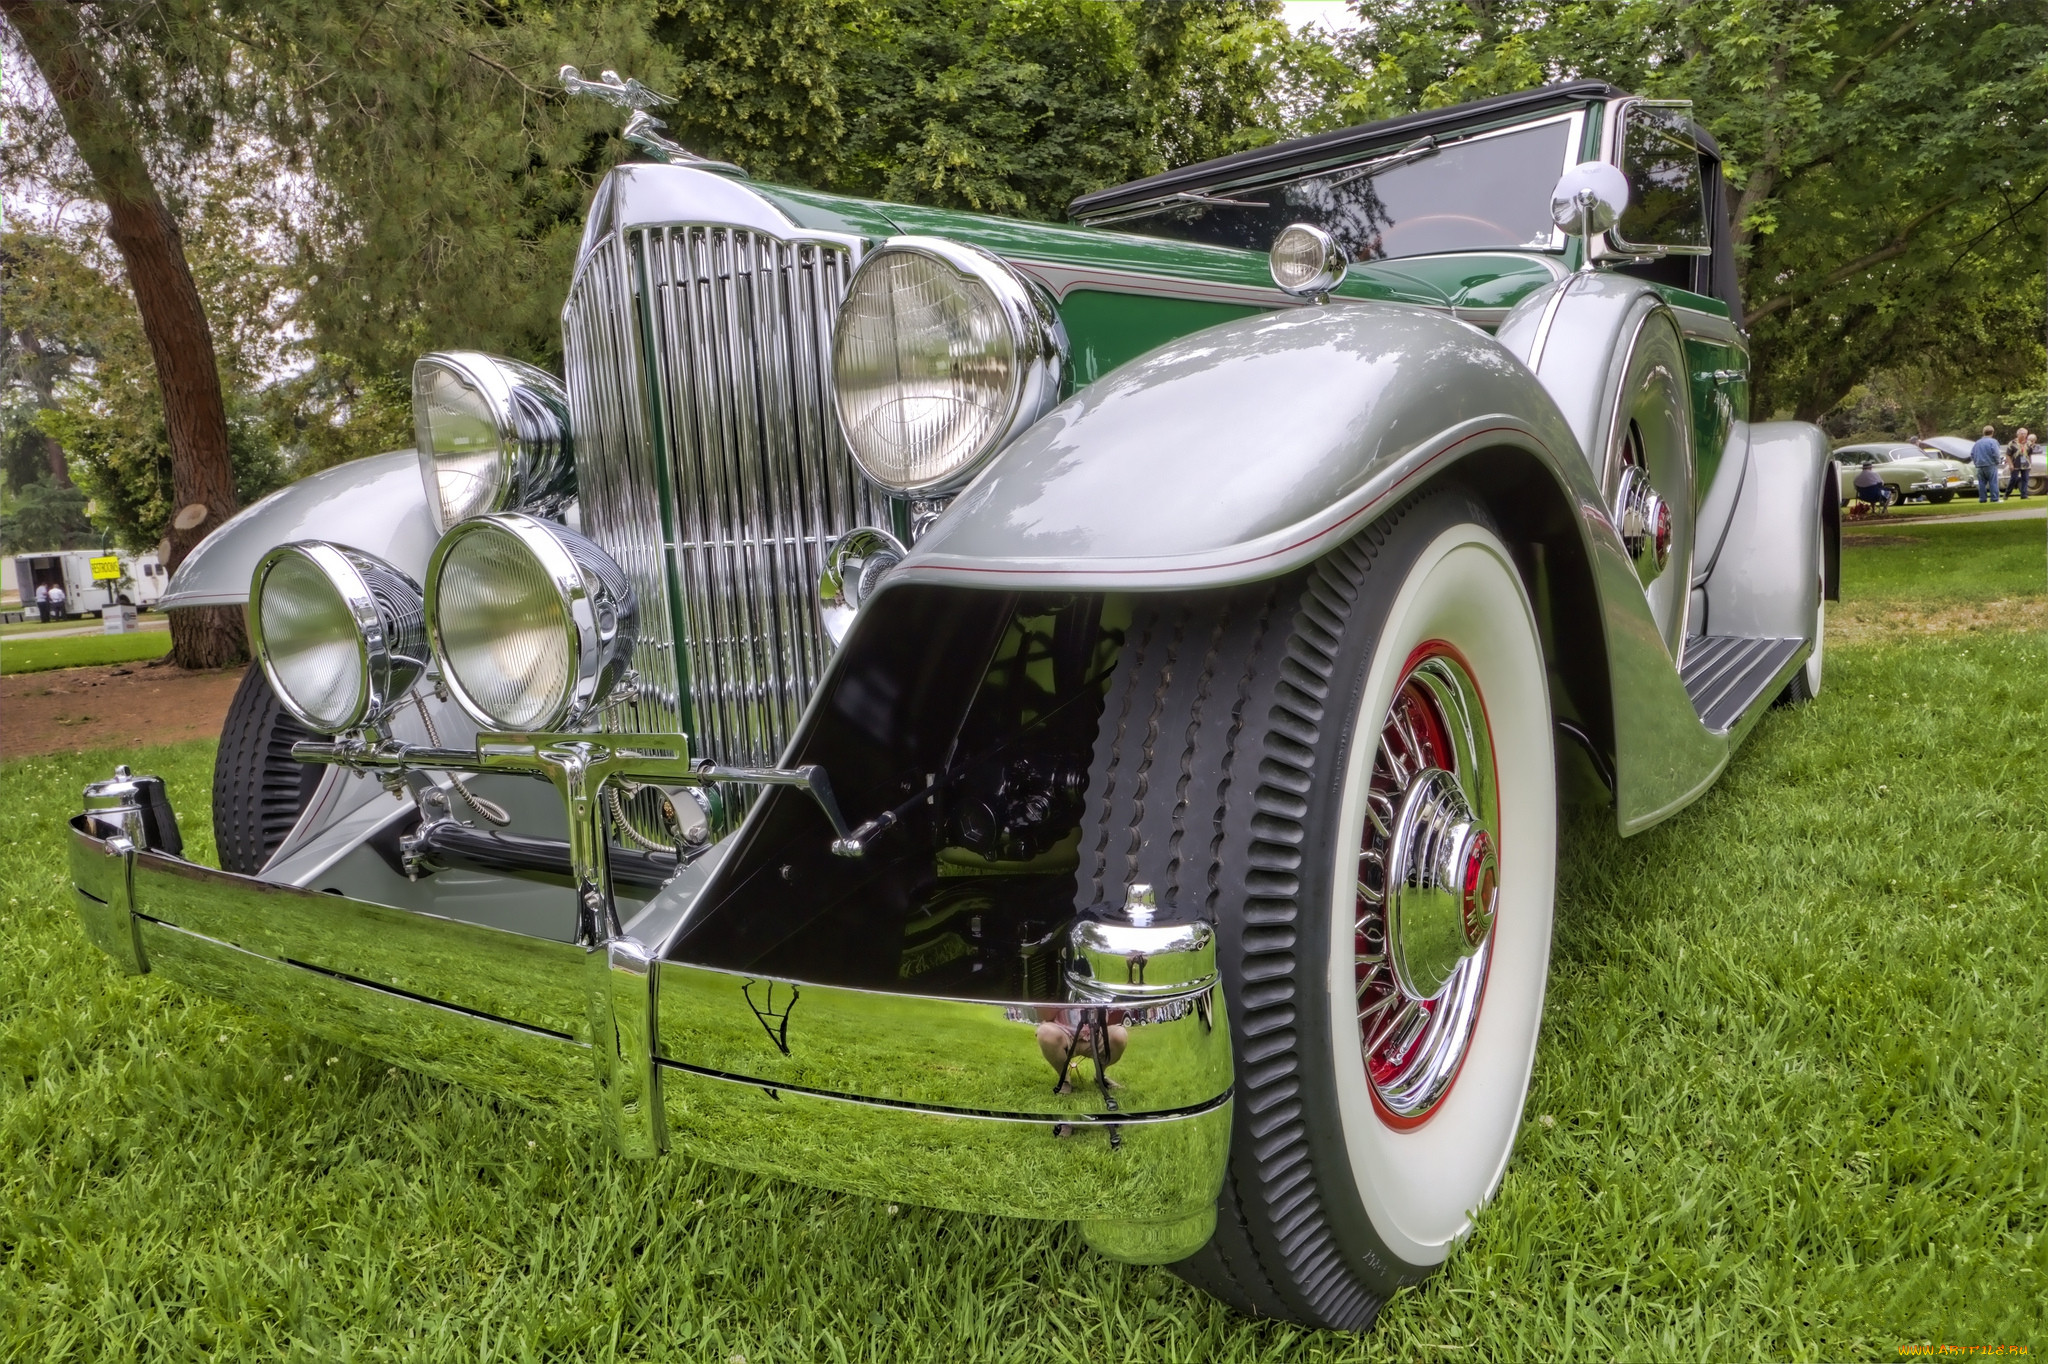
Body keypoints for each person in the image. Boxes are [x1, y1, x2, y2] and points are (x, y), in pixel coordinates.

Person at [1971, 424, 2003, 503]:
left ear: (1983, 432)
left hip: (1979, 465)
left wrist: (1976, 462)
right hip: (1990, 464)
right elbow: (1996, 453)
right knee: (1993, 482)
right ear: (1992, 432)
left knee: (1981, 483)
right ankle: (1994, 498)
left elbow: (1972, 453)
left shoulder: (1977, 443)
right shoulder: (1993, 441)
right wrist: (1997, 461)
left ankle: (1982, 499)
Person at [2008, 427, 2034, 500]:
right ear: (2017, 434)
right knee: (2014, 479)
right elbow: (2008, 454)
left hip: (2026, 464)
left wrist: (2030, 464)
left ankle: (2024, 495)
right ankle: (2007, 493)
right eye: (2021, 433)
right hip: (2015, 464)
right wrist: (2010, 464)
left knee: (2025, 479)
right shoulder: (2012, 443)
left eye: (2025, 434)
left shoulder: (2029, 443)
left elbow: (2030, 454)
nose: (2023, 435)